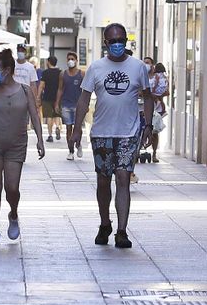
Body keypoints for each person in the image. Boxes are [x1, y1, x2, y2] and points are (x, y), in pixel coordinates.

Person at [71, 23, 152, 249]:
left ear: (126, 42)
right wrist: (76, 129)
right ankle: (105, 223)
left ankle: (122, 231)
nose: (117, 45)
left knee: (123, 178)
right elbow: (84, 99)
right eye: (113, 41)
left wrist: (148, 125)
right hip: (101, 133)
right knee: (104, 181)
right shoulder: (96, 68)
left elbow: (147, 97)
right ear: (105, 43)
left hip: (128, 133)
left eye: (121, 41)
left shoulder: (138, 67)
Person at [0, 49, 45, 245]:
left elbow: (34, 115)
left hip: (15, 145)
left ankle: (13, 213)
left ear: (8, 70)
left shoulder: (25, 90)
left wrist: (40, 139)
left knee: (12, 188)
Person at [59, 53, 85, 159]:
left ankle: (78, 144)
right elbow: (60, 89)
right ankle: (70, 150)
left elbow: (86, 90)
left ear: (76, 60)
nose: (70, 61)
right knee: (68, 128)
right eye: (69, 59)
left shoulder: (82, 74)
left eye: (72, 59)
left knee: (77, 128)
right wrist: (57, 103)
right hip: (66, 104)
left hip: (78, 105)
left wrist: (85, 104)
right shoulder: (62, 74)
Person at [147, 62, 170, 160]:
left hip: (155, 107)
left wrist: (154, 95)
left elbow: (164, 91)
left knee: (154, 130)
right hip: (154, 107)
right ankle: (151, 152)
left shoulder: (157, 78)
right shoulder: (165, 78)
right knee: (152, 131)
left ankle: (153, 151)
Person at [38, 56, 63, 142]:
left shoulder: (45, 73)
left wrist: (38, 97)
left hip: (47, 97)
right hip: (58, 98)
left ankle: (50, 135)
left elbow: (41, 86)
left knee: (49, 116)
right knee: (57, 115)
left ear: (48, 62)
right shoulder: (60, 72)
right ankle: (57, 127)